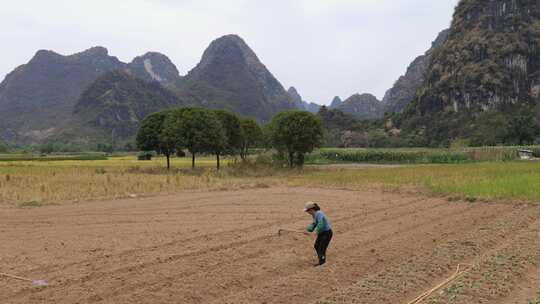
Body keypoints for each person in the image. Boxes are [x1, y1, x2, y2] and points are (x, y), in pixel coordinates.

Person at [304, 202, 333, 266]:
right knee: (316, 246)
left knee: (321, 247)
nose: (307, 213)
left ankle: (322, 262)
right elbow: (314, 224)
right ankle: (321, 259)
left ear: (311, 209)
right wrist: (308, 230)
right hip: (322, 233)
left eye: (307, 211)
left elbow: (321, 223)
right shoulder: (314, 215)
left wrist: (316, 231)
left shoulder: (319, 213)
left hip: (327, 233)